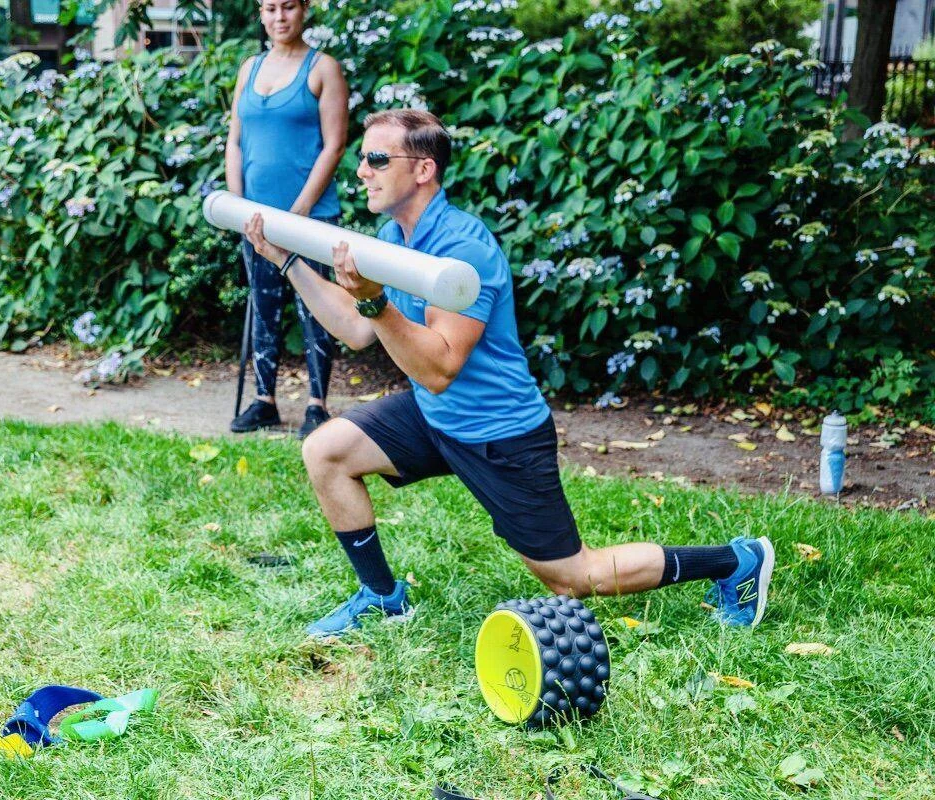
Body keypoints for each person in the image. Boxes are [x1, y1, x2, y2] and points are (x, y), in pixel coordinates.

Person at [244, 109, 775, 637]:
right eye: (362, 158)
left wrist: (376, 303)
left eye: (377, 159)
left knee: (572, 577)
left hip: (499, 431)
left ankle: (736, 561)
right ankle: (382, 597)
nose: (361, 170)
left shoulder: (462, 249)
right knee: (327, 450)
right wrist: (287, 261)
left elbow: (440, 368)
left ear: (423, 169)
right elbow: (357, 330)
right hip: (437, 416)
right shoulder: (394, 236)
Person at [225, 0, 347, 438]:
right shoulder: (249, 69)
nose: (280, 17)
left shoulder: (323, 68)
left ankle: (317, 404)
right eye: (271, 8)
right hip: (256, 219)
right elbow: (235, 141)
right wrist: (238, 206)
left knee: (316, 307)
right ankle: (265, 402)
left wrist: (299, 212)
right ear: (261, 13)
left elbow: (334, 145)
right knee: (264, 306)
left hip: (311, 218)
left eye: (289, 7)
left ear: (304, 10)